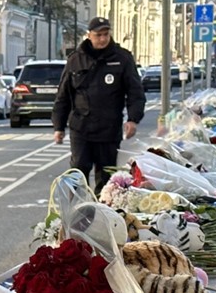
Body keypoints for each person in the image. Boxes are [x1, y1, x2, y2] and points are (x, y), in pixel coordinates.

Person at [51, 16, 145, 193]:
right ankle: (79, 213)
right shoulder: (76, 60)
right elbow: (63, 95)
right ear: (89, 36)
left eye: (106, 34)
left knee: (106, 177)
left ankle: (103, 215)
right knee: (78, 172)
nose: (102, 39)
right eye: (98, 35)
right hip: (81, 127)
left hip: (108, 128)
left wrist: (133, 119)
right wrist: (59, 126)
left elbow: (135, 92)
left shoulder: (122, 58)